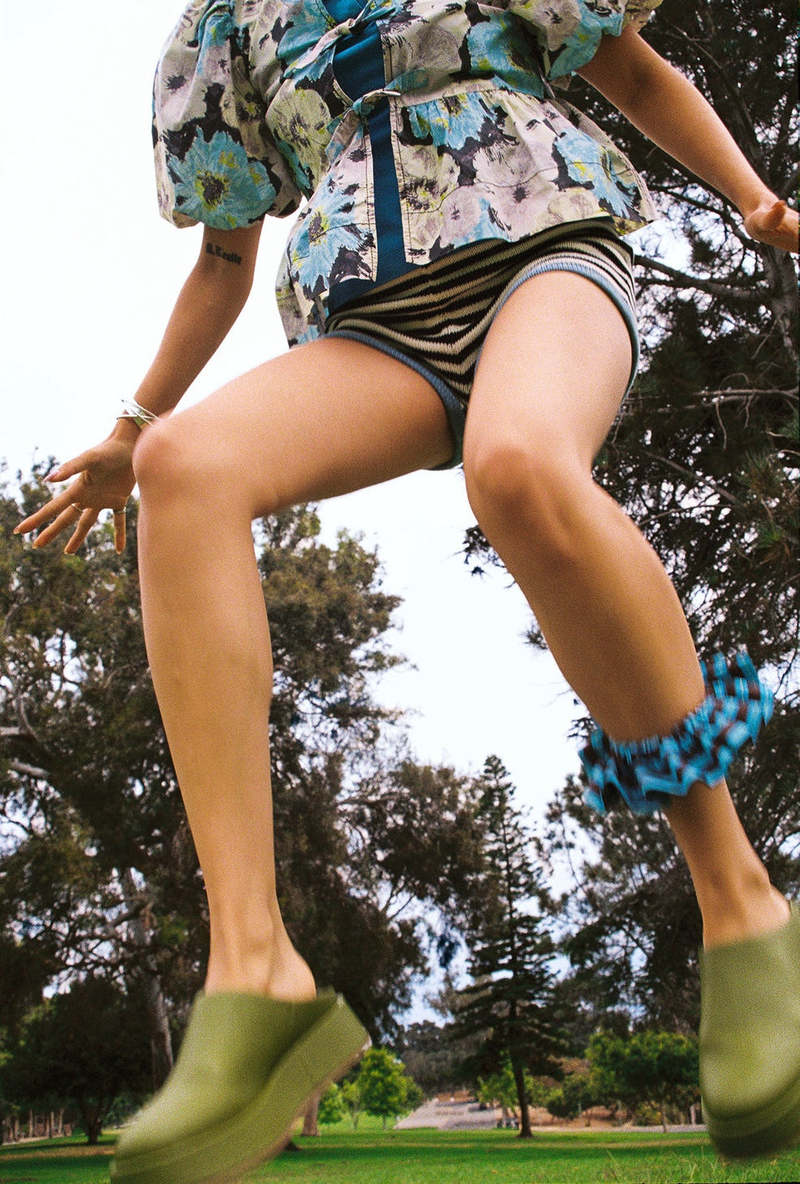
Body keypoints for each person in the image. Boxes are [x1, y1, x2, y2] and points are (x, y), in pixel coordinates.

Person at [14, 0, 799, 1179]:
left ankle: (738, 901)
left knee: (517, 465)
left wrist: (751, 199)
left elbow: (632, 72)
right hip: (380, 325)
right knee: (186, 469)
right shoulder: (229, 32)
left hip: (547, 252)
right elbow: (223, 260)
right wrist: (133, 427)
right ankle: (253, 968)